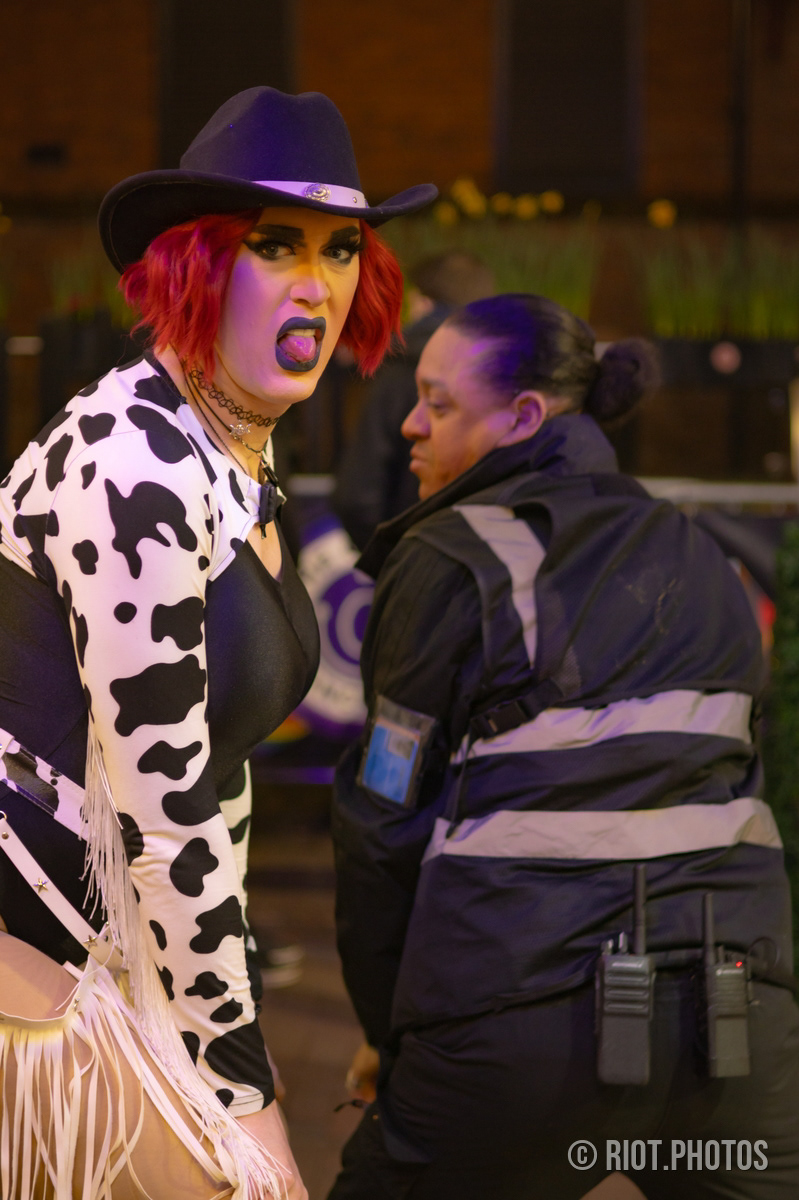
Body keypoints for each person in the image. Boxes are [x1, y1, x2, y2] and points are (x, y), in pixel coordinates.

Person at [0, 86, 434, 1199]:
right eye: (275, 244)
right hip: (35, 960)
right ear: (194, 267)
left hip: (111, 950)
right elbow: (168, 810)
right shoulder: (132, 455)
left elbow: (215, 783)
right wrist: (241, 1087)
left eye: (342, 250)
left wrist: (219, 1027)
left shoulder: (229, 445)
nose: (316, 283)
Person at [329, 293, 799, 1199]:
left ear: (523, 417)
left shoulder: (448, 556)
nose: (410, 424)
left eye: (436, 403)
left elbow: (380, 829)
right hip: (734, 1031)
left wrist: (391, 1035)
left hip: (519, 1036)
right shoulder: (704, 554)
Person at [332, 251, 494, 550]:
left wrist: (390, 559)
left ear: (423, 302)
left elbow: (358, 495)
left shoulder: (401, 372)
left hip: (409, 549)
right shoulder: (505, 375)